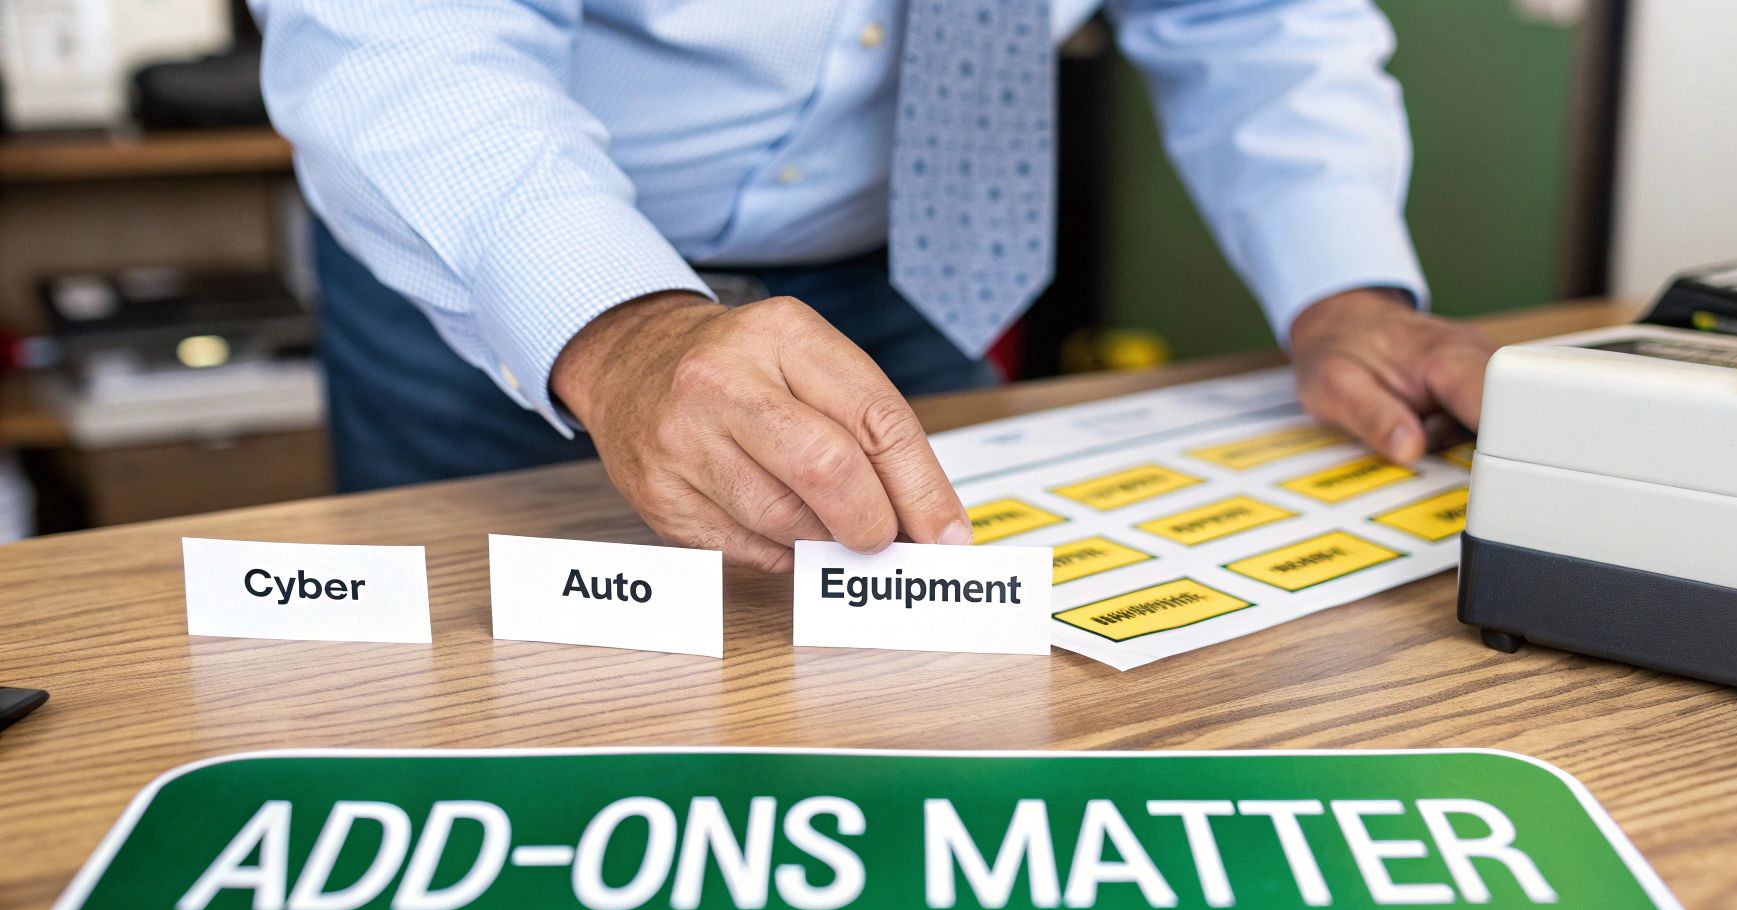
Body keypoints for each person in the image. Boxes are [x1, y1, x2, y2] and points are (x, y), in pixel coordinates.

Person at [252, 0, 1496, 571]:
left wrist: (1342, 286)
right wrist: (616, 327)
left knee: (908, 710)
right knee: (478, 732)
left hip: (913, 275)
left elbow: (1253, 16)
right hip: (520, 281)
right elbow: (402, 35)